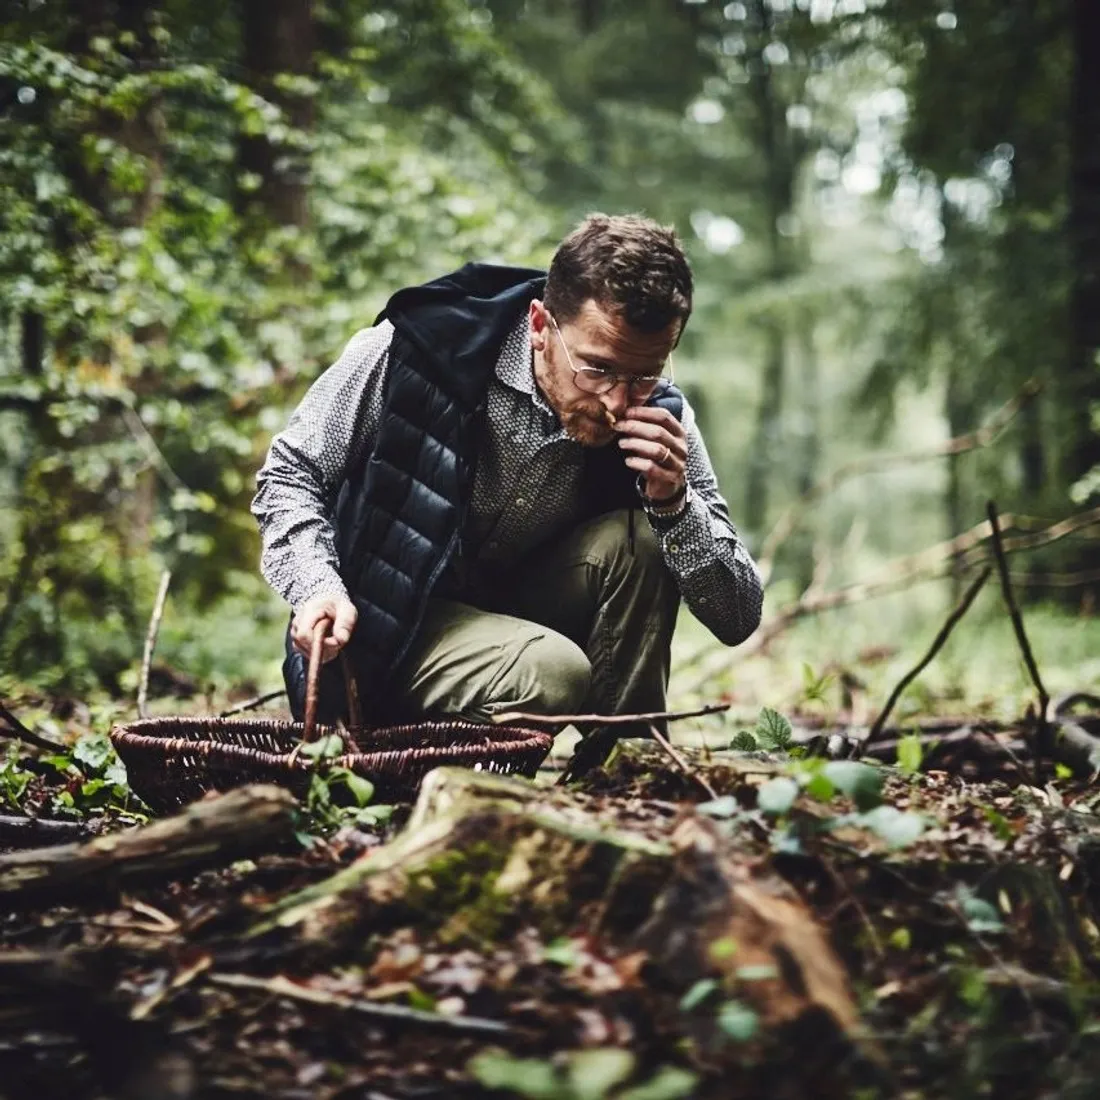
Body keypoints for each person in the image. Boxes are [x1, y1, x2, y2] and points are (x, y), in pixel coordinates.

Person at [251, 213, 763, 772]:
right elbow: (291, 470)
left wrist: (674, 505)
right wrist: (316, 587)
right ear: (541, 325)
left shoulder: (662, 418)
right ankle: (414, 770)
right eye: (597, 369)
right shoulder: (420, 349)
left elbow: (737, 617)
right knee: (552, 669)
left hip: (514, 620)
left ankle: (625, 776)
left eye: (644, 376)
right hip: (377, 643)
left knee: (642, 539)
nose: (619, 403)